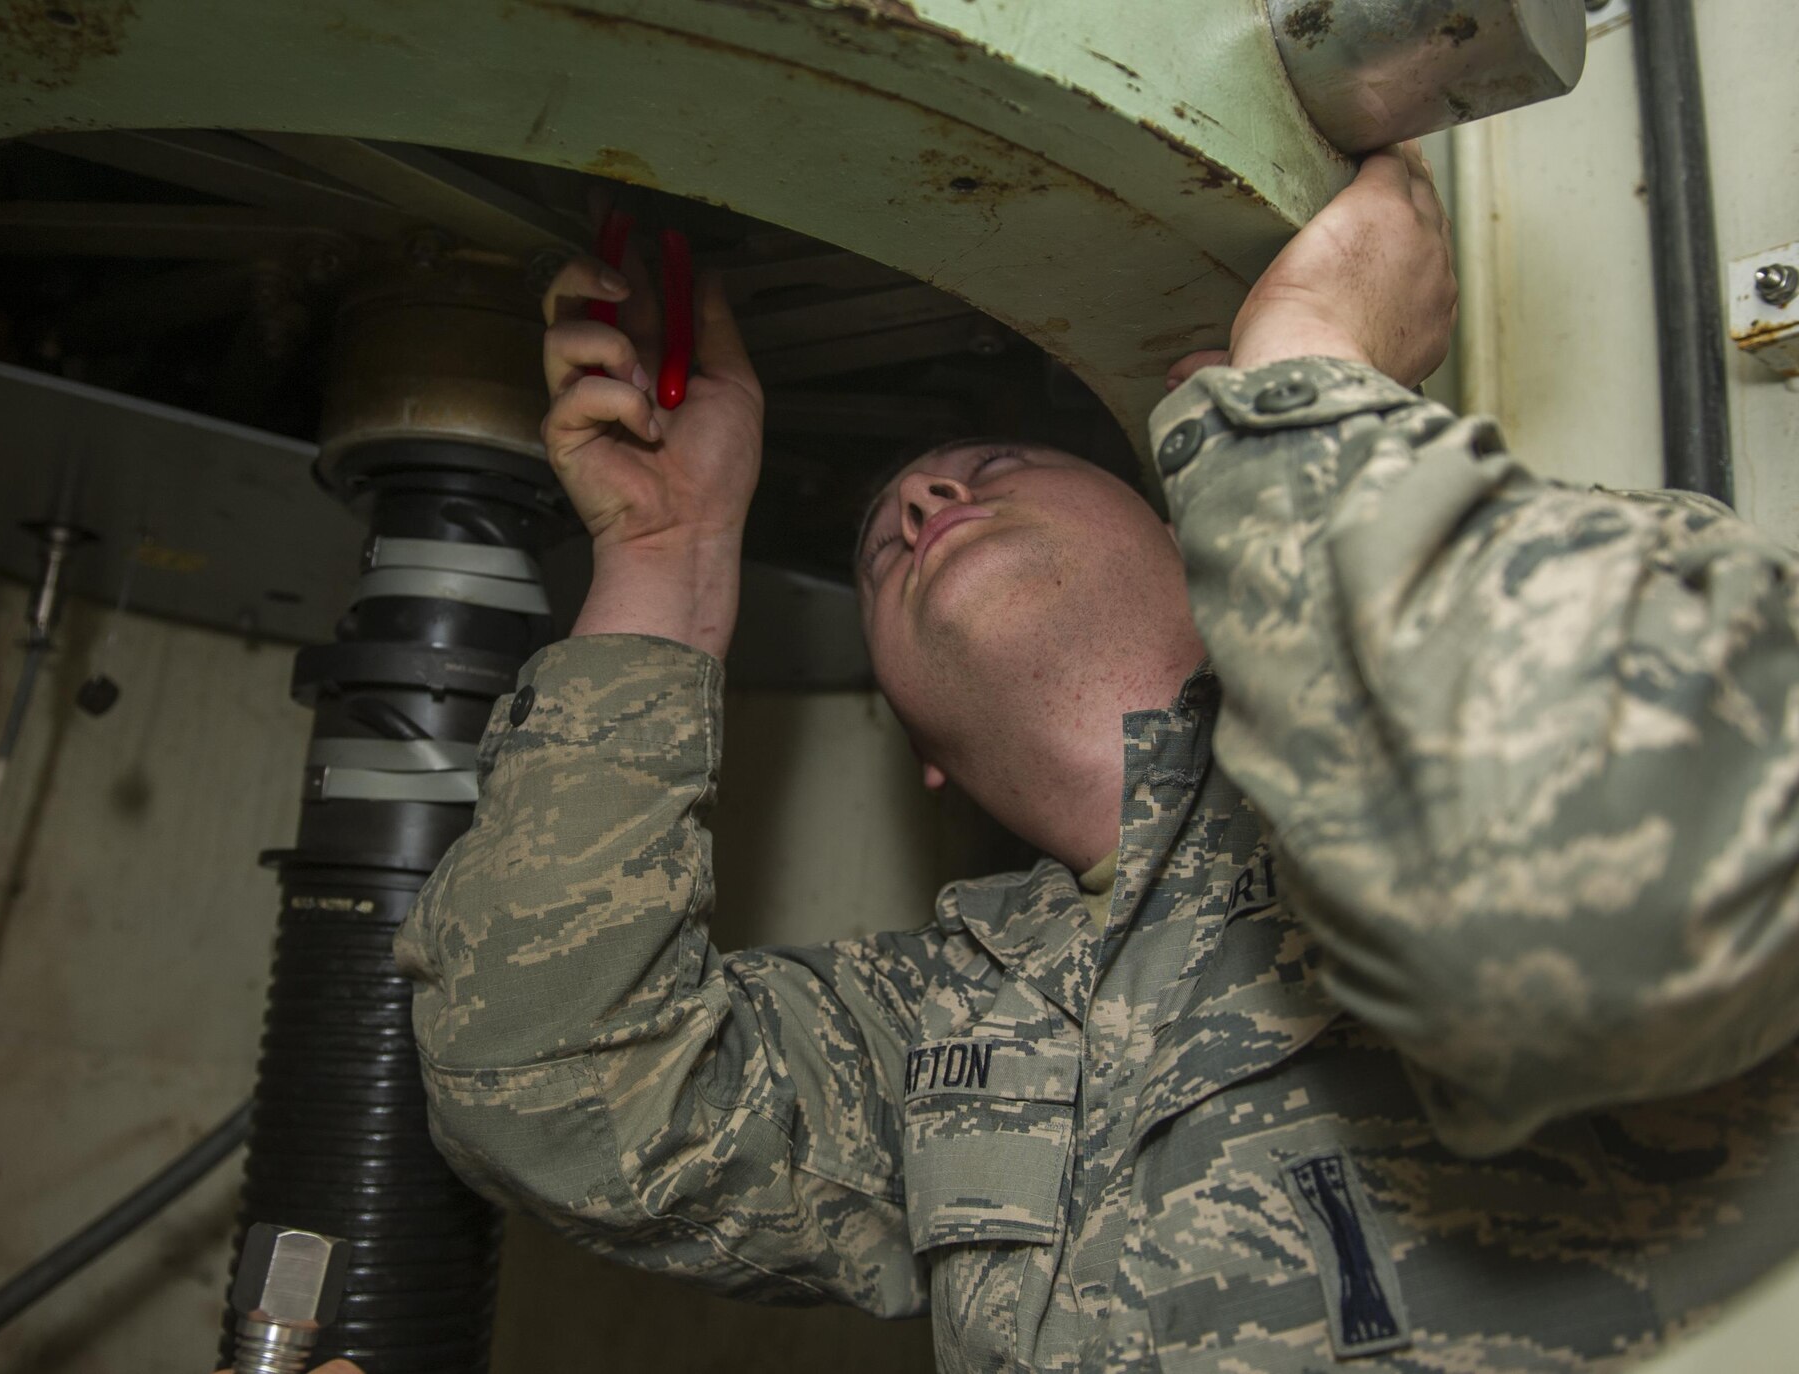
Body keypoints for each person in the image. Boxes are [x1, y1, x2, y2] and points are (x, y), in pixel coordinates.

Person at [395, 143, 1799, 1372]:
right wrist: (670, 560)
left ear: (1197, 518)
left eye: (995, 466)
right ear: (923, 756)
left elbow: (1634, 849)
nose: (932, 496)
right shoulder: (944, 1021)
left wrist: (1309, 386)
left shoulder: (1519, 652)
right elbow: (552, 1085)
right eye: (887, 539)